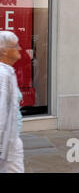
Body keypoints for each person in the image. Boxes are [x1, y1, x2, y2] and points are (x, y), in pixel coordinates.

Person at [0, 31, 24, 173]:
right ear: (4, 51)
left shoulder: (8, 71)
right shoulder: (2, 74)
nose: (19, 49)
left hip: (10, 138)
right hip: (7, 142)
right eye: (15, 46)